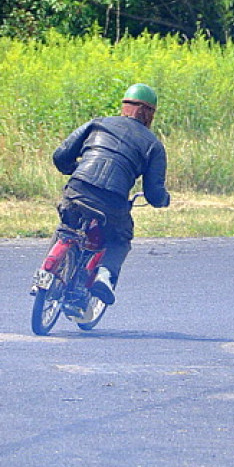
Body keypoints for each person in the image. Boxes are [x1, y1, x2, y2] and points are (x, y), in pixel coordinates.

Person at [51, 82, 171, 305]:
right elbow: (154, 194)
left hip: (77, 189)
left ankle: (49, 272)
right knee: (120, 238)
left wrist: (75, 171)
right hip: (112, 202)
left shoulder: (98, 124)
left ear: (124, 106)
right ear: (150, 113)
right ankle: (104, 277)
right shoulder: (154, 145)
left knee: (67, 226)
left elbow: (60, 156)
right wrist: (164, 200)